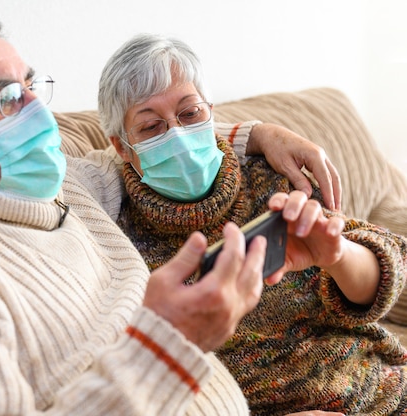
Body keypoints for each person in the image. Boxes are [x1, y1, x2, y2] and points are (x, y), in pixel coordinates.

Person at [0, 9, 344, 416]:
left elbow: (162, 146)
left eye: (32, 86)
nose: (40, 112)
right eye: (6, 99)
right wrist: (167, 346)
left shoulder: (61, 186)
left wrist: (259, 135)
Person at [96, 32, 407, 415]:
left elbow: (383, 282)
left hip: (381, 391)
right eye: (151, 127)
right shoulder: (113, 239)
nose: (177, 137)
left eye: (190, 113)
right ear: (121, 147)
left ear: (211, 113)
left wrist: (338, 254)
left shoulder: (271, 176)